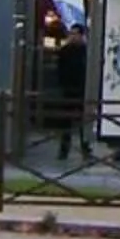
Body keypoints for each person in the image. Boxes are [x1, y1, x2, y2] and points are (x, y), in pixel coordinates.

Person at [47, 23, 90, 160]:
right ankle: (64, 149)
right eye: (71, 34)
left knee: (84, 120)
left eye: (75, 34)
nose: (72, 37)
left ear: (81, 36)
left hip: (82, 89)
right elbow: (60, 69)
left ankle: (85, 147)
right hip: (68, 89)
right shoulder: (65, 51)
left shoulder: (85, 51)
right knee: (66, 121)